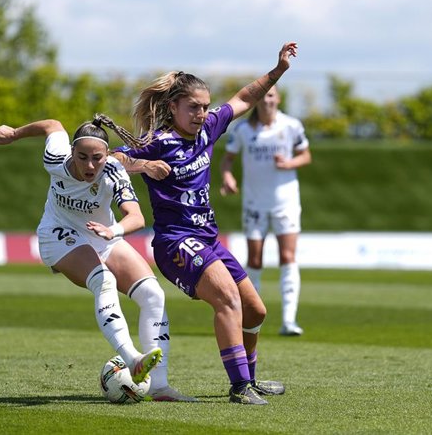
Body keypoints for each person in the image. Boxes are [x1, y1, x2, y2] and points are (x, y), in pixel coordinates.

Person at [110, 42, 298, 405]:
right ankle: (239, 386)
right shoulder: (158, 142)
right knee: (227, 299)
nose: (201, 113)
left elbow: (244, 98)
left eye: (204, 106)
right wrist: (144, 166)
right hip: (175, 243)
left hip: (207, 240)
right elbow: (114, 159)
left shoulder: (208, 128)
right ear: (173, 108)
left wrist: (278, 71)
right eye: (193, 107)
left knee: (256, 310)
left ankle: (251, 379)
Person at [0, 115, 194, 402]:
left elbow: (136, 217)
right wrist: (15, 133)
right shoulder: (55, 159)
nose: (89, 165)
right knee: (104, 280)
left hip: (104, 235)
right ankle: (132, 358)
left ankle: (159, 387)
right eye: (82, 157)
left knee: (153, 294)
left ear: (108, 155)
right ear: (71, 152)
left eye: (97, 158)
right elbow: (53, 125)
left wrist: (113, 231)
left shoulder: (113, 171)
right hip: (57, 235)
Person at [220, 85, 311, 336]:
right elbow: (227, 159)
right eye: (263, 96)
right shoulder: (242, 129)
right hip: (254, 203)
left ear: (278, 98)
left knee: (288, 257)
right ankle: (253, 321)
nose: (267, 100)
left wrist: (290, 163)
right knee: (256, 260)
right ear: (257, 101)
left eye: (271, 96)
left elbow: (306, 156)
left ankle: (289, 320)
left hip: (286, 202)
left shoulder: (291, 125)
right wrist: (227, 177)